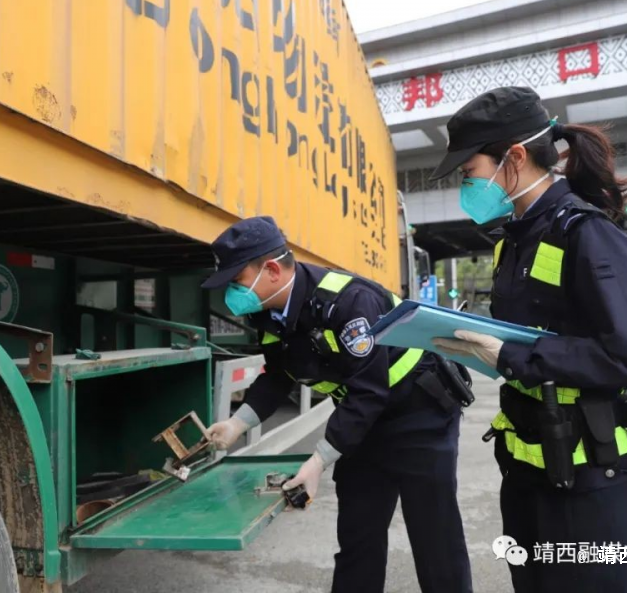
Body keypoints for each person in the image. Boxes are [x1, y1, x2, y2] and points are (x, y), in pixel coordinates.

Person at [431, 86, 627, 593]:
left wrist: (518, 355)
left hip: (596, 494)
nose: (466, 184)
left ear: (513, 158)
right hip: (530, 483)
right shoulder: (512, 245)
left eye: (469, 170)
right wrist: (482, 350)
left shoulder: (587, 234)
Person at [202, 216, 473, 593]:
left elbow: (368, 390)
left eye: (237, 280)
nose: (233, 292)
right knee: (358, 538)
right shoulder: (267, 312)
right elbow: (278, 374)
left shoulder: (347, 301)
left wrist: (316, 462)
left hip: (419, 413)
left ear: (272, 270)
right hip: (362, 424)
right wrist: (237, 424)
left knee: (434, 537)